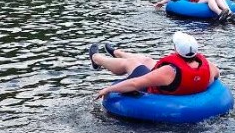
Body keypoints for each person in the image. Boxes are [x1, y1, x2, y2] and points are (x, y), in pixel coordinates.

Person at [89, 32, 220, 99]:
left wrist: (108, 89)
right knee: (147, 60)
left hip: (160, 89)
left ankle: (96, 59)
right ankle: (117, 52)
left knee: (131, 63)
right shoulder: (208, 66)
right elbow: (216, 76)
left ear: (176, 49)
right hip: (177, 83)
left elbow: (135, 83)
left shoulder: (169, 71)